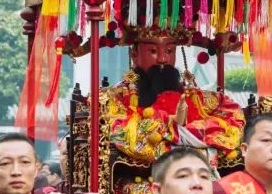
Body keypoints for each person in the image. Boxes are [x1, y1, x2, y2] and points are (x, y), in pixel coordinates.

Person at [104, 34, 245, 167]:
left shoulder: (196, 98)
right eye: (153, 51)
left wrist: (175, 133)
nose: (162, 59)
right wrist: (175, 127)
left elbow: (233, 119)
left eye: (169, 50)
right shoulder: (115, 99)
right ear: (134, 55)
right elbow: (127, 137)